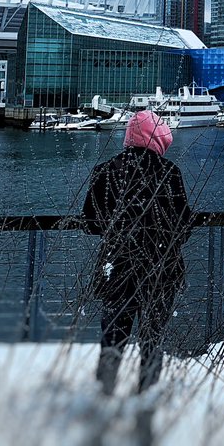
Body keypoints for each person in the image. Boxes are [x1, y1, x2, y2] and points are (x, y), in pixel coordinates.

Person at [82, 109, 192, 395]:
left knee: (112, 340)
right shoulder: (169, 173)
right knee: (153, 341)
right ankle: (146, 400)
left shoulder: (107, 170)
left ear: (131, 136)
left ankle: (104, 396)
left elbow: (90, 223)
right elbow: (183, 226)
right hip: (161, 270)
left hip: (117, 268)